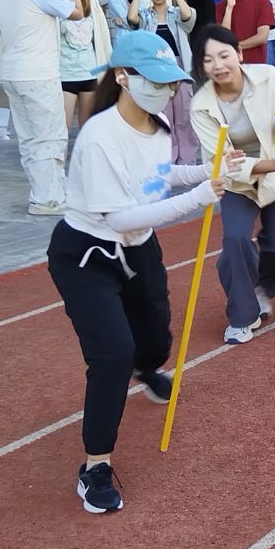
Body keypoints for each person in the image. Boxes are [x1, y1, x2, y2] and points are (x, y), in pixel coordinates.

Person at [48, 30, 234, 514]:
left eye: (171, 82)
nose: (167, 91)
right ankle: (95, 467)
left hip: (139, 250)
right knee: (112, 354)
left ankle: (144, 366)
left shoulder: (159, 127)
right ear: (123, 77)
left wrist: (211, 171)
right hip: (88, 255)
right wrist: (198, 199)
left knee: (153, 341)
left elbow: (160, 176)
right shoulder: (99, 138)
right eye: (156, 81)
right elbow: (119, 218)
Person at [189, 24, 275, 346]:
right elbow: (223, 161)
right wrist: (270, 164)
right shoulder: (200, 105)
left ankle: (260, 287)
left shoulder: (269, 77)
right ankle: (243, 315)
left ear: (239, 54)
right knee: (235, 240)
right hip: (240, 181)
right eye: (208, 60)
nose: (218, 66)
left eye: (224, 55)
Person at [0, 0, 83, 215]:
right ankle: (48, 199)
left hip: (12, 71)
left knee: (29, 137)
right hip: (38, 73)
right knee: (49, 136)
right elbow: (78, 11)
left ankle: (44, 192)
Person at [130, 0, 199, 164]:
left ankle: (187, 161)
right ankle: (168, 160)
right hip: (155, 70)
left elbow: (188, 16)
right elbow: (131, 18)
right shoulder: (146, 16)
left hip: (179, 68)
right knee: (164, 117)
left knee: (184, 115)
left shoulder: (175, 13)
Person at [56, 0, 112, 134]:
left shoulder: (92, 4)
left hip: (90, 72)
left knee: (89, 127)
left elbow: (103, 40)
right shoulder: (54, 5)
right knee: (62, 128)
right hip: (65, 74)